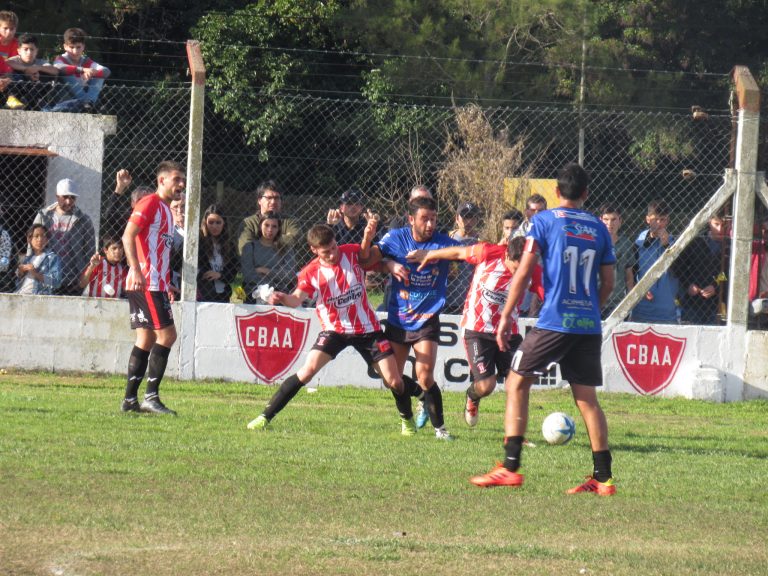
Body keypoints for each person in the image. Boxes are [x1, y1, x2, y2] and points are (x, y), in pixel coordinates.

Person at [471, 163, 617, 496]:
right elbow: (606, 282)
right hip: (587, 323)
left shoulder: (543, 221)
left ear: (555, 193)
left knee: (517, 382)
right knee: (587, 399)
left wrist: (507, 314)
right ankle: (603, 478)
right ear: (585, 193)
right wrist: (592, 309)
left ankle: (509, 467)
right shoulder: (599, 227)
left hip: (555, 319)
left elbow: (523, 272)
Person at [247, 222, 414, 435]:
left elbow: (376, 263)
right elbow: (296, 299)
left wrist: (389, 265)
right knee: (306, 372)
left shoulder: (351, 252)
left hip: (367, 329)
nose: (333, 254)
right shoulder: (311, 272)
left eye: (334, 247)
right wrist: (281, 298)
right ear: (314, 250)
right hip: (334, 330)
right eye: (326, 252)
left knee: (394, 381)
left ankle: (407, 421)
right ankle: (264, 417)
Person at [407, 236, 543, 428]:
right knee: (487, 386)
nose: (520, 273)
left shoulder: (533, 271)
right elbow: (458, 252)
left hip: (508, 333)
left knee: (520, 382)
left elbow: (550, 295)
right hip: (477, 330)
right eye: (516, 267)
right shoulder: (488, 253)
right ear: (507, 255)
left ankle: (516, 434)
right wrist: (429, 255)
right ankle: (472, 396)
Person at [367, 196, 460, 440]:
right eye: (424, 219)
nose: (430, 224)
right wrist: (387, 265)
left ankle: (441, 430)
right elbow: (366, 261)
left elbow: (465, 253)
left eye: (434, 219)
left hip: (427, 317)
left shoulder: (441, 242)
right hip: (399, 317)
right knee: (392, 380)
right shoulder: (396, 238)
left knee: (425, 375)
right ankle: (418, 400)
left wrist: (433, 255)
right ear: (411, 219)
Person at [121, 160, 186, 415]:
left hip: (155, 282)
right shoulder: (149, 203)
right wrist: (136, 269)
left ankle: (129, 401)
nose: (181, 184)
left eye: (182, 179)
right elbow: (128, 235)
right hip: (147, 282)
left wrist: (166, 279)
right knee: (167, 336)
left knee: (146, 338)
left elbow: (157, 250)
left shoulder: (168, 211)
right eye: (176, 179)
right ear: (162, 181)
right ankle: (151, 396)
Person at [33, 178, 96, 296]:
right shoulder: (43, 216)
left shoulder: (83, 220)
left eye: (72, 197)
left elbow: (90, 250)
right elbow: (32, 245)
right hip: (46, 275)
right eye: (65, 197)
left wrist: (85, 274)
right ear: (57, 196)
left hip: (73, 279)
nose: (69, 201)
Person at [673, 212, 729, 324]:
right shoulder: (696, 242)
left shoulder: (729, 246)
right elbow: (679, 266)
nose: (719, 229)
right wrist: (688, 284)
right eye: (716, 224)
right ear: (709, 222)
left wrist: (716, 287)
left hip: (716, 305)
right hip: (692, 303)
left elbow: (727, 273)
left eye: (724, 225)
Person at [630, 200, 679, 324]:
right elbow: (631, 271)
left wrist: (667, 246)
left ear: (668, 221)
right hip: (641, 310)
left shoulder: (675, 242)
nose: (659, 223)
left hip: (667, 312)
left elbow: (679, 271)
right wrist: (640, 288)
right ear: (647, 219)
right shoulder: (638, 242)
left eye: (663, 219)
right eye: (655, 219)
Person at [48, 27, 110, 113]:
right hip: (63, 101)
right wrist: (82, 70)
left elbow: (106, 71)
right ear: (65, 47)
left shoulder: (86, 61)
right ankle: (87, 103)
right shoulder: (61, 59)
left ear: (83, 47)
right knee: (67, 73)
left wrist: (92, 72)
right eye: (71, 47)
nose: (75, 51)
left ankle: (88, 103)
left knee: (99, 76)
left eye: (78, 47)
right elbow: (59, 67)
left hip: (82, 103)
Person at [241, 211, 296, 304]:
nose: (270, 229)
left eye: (274, 226)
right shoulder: (250, 247)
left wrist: (266, 271)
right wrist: (275, 277)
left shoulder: (285, 248)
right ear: (260, 226)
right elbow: (248, 275)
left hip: (279, 296)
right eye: (266, 225)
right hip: (253, 295)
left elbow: (289, 275)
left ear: (279, 229)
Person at [237, 180, 300, 254]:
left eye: (276, 198)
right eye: (269, 198)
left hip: (283, 263)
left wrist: (261, 243)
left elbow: (294, 239)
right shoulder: (248, 223)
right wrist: (279, 241)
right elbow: (246, 248)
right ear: (259, 200)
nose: (273, 202)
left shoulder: (290, 221)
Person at [445, 201, 483, 314]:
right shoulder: (447, 238)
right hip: (447, 299)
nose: (469, 221)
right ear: (457, 218)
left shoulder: (482, 242)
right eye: (465, 217)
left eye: (472, 217)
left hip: (472, 301)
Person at [5, 34, 58, 110]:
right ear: (19, 51)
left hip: (34, 91)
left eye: (32, 49)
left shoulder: (40, 62)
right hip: (19, 90)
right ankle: (13, 99)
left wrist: (38, 68)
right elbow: (7, 62)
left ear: (37, 51)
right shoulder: (15, 60)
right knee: (13, 73)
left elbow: (55, 71)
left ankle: (33, 101)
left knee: (47, 75)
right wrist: (26, 70)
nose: (29, 52)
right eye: (25, 49)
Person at [599, 204, 634, 317]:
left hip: (617, 304)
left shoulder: (626, 244)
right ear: (600, 220)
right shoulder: (593, 243)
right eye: (606, 219)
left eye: (614, 219)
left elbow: (629, 276)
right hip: (597, 300)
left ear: (620, 221)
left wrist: (629, 303)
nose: (610, 224)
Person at [197, 204, 237, 303]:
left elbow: (233, 271)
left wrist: (220, 275)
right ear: (205, 223)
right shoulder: (199, 242)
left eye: (218, 222)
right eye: (211, 222)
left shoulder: (230, 245)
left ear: (224, 224)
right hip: (204, 292)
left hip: (223, 293)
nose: (214, 226)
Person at [15, 224, 62, 295]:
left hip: (39, 296)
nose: (40, 239)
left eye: (43, 236)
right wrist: (20, 272)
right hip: (21, 293)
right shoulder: (27, 259)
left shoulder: (52, 258)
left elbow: (57, 282)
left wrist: (36, 274)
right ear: (29, 240)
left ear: (47, 240)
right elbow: (18, 280)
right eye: (36, 236)